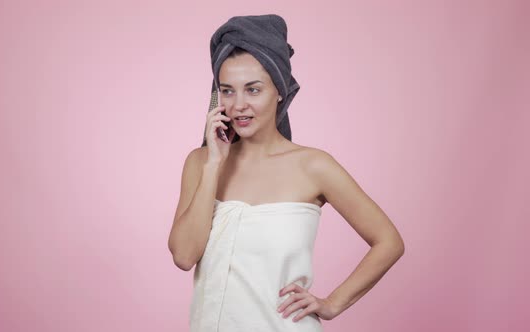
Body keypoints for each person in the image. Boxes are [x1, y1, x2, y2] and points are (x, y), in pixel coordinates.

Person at [168, 14, 405, 331]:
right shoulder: (200, 162)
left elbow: (388, 241)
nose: (238, 105)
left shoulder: (314, 166)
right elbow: (185, 256)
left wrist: (333, 303)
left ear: (279, 90)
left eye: (253, 90)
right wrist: (214, 163)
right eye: (227, 91)